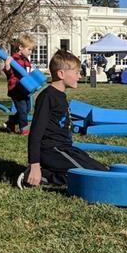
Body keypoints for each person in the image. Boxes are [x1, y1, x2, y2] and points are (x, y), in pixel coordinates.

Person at [17, 50, 109, 188]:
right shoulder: (47, 97)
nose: (80, 76)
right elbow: (35, 133)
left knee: (102, 171)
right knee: (91, 177)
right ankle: (42, 175)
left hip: (66, 148)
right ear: (61, 74)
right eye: (76, 72)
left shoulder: (61, 96)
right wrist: (34, 165)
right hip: (51, 150)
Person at [3, 35, 35, 135]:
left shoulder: (26, 60)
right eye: (29, 49)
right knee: (22, 110)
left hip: (25, 89)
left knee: (28, 108)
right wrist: (8, 65)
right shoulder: (14, 59)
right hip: (16, 89)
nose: (31, 52)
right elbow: (9, 74)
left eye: (32, 50)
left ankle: (11, 122)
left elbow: (28, 73)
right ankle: (24, 129)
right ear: (21, 47)